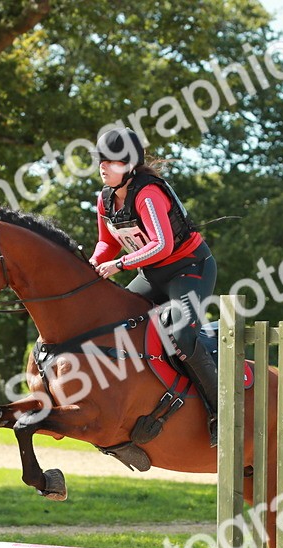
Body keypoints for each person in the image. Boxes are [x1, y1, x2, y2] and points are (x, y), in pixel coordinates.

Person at [89, 127, 220, 446]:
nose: (103, 167)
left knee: (181, 333)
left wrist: (119, 265)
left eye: (111, 161)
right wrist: (91, 265)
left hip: (189, 269)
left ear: (130, 165)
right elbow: (107, 244)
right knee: (118, 322)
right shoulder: (105, 200)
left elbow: (161, 245)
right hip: (152, 273)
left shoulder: (148, 194)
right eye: (101, 161)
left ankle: (221, 410)